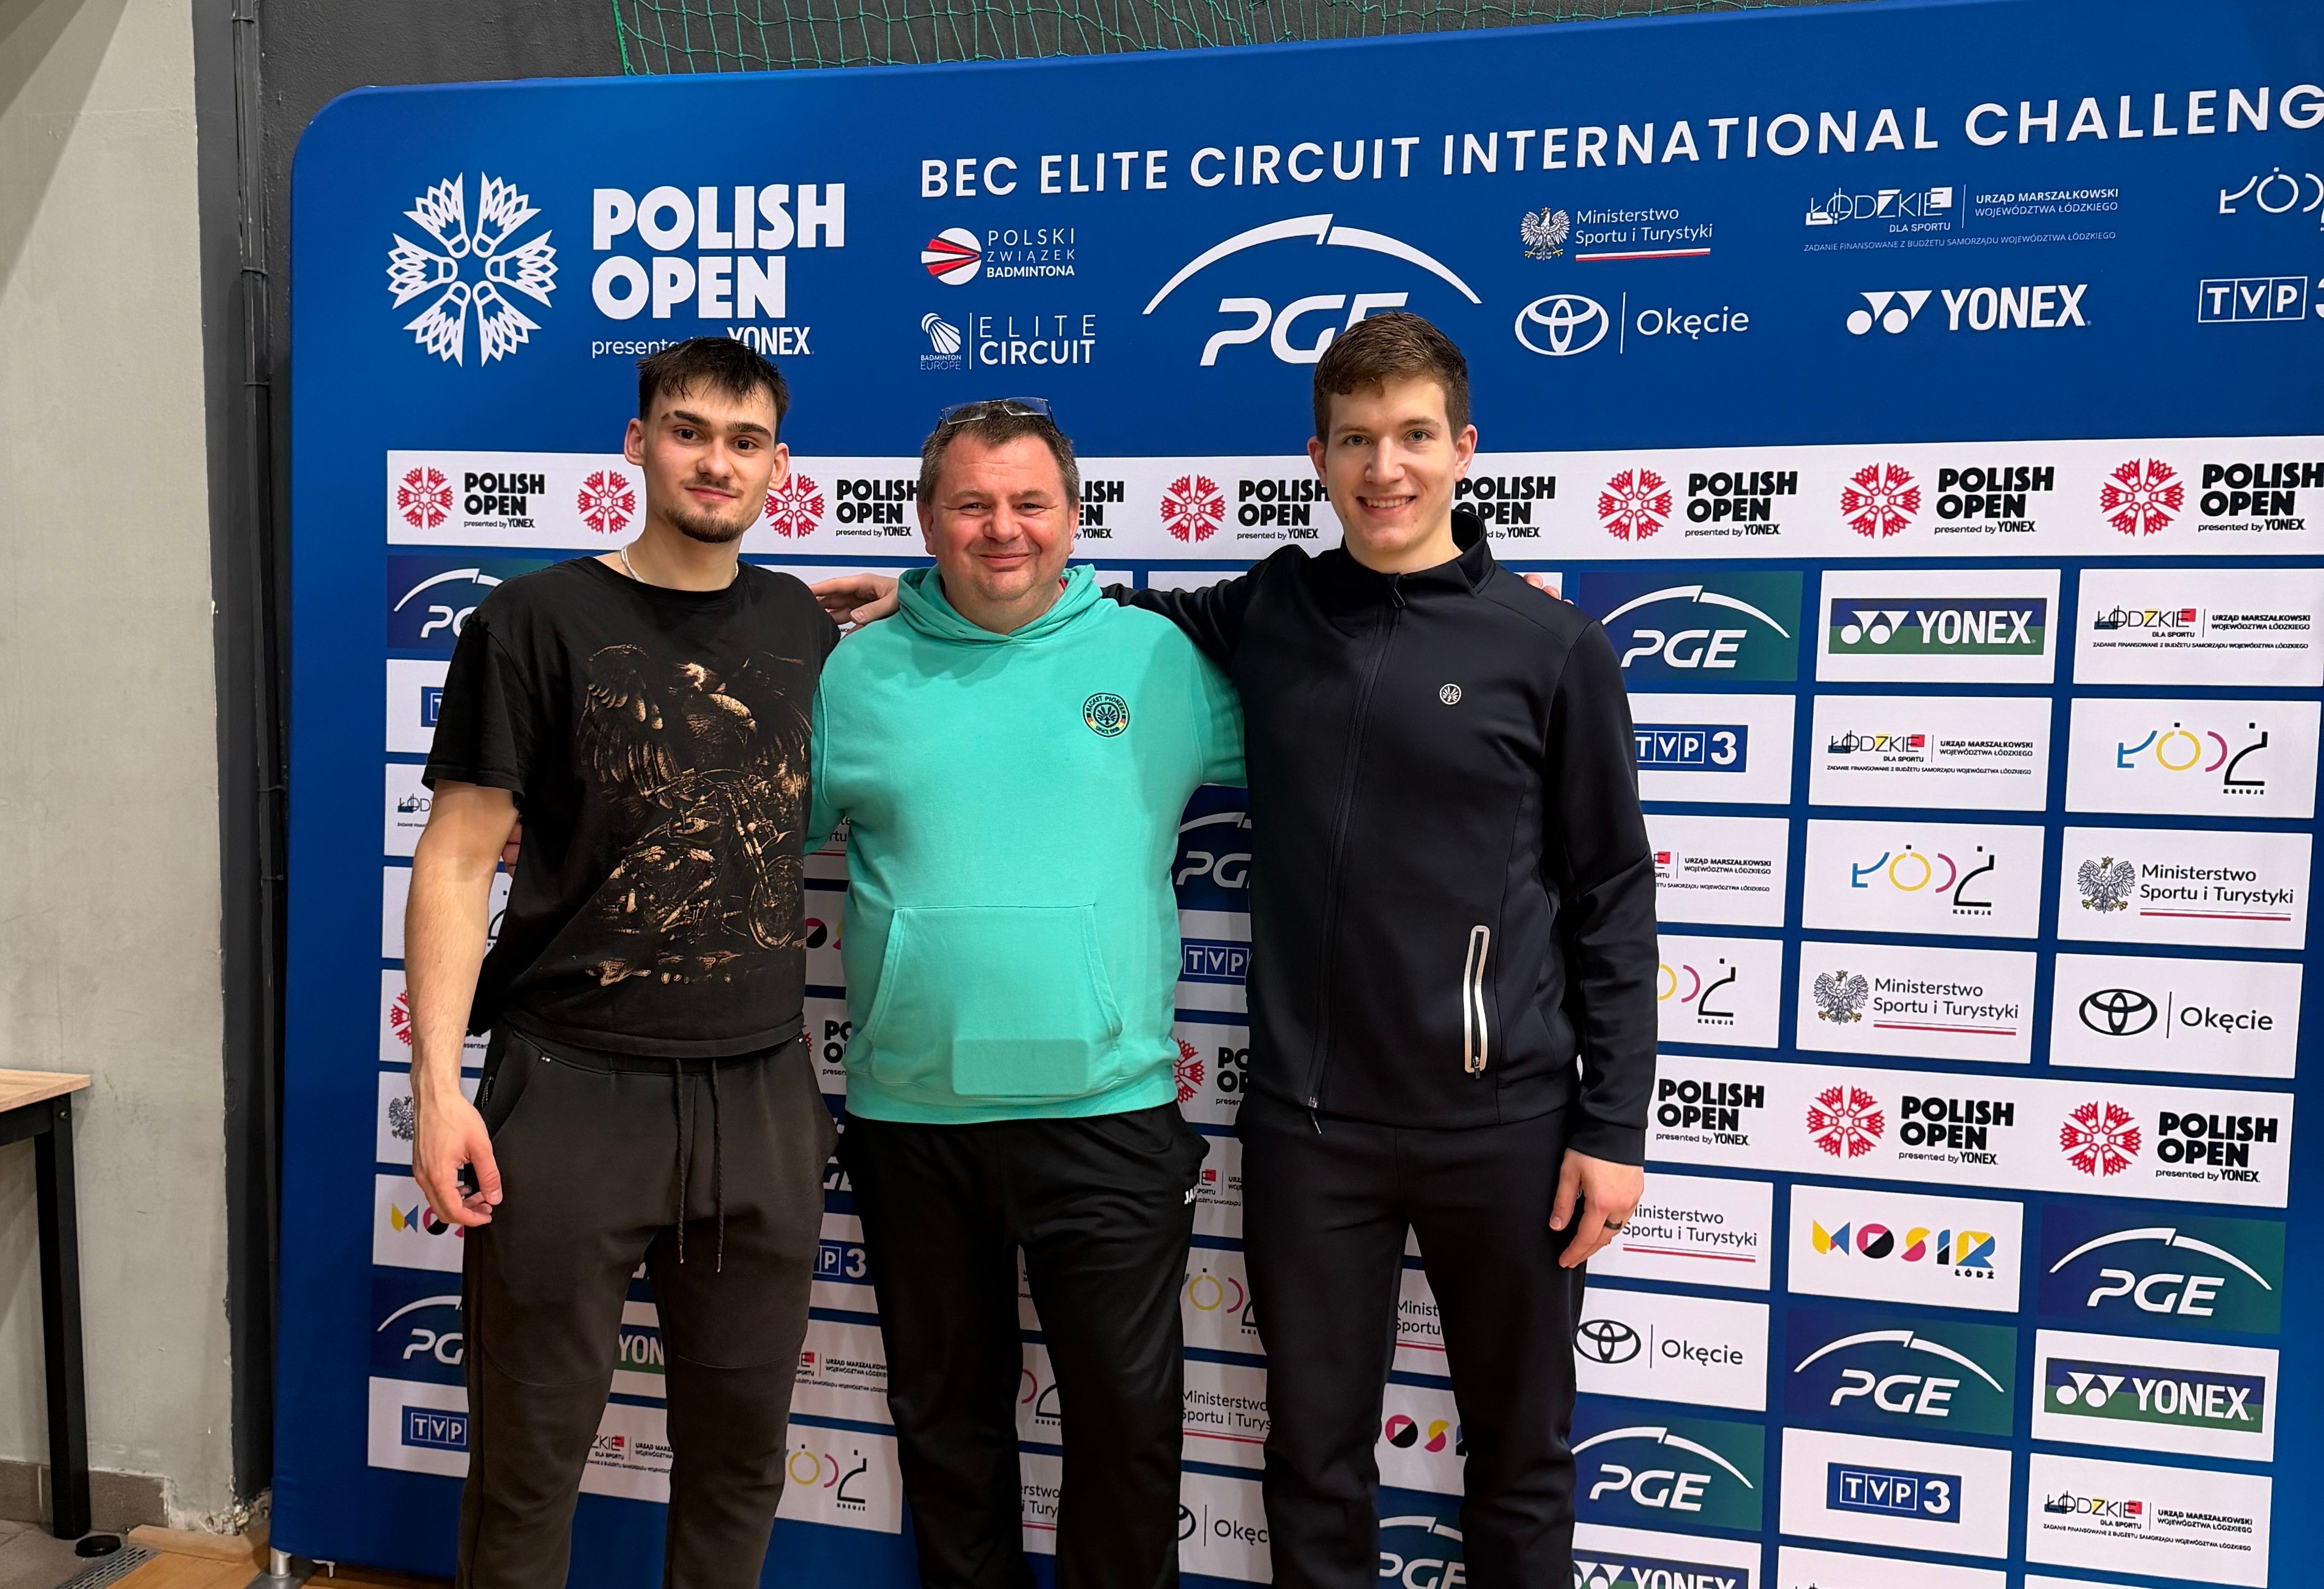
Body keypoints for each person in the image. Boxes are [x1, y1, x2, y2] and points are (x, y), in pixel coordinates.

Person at [815, 313, 1655, 1589]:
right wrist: (920, 604)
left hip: (1506, 1121)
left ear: (1464, 449)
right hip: (1306, 1129)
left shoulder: (1548, 647)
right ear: (1318, 456)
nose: (1386, 467)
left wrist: (1616, 1122)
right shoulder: (1272, 611)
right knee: (1310, 1460)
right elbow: (1073, 617)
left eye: (1414, 436)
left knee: (1521, 1457)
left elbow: (1613, 890)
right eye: (1358, 440)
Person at [407, 338, 838, 1589]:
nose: (716, 462)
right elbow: (457, 858)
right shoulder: (531, 621)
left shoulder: (805, 628)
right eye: (689, 431)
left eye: (745, 441)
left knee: (740, 1466)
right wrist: (436, 1091)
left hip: (761, 1094)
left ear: (780, 466)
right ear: (639, 442)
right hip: (571, 1091)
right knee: (527, 1467)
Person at [808, 397, 1244, 1589]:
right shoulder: (852, 675)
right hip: (912, 1124)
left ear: (1073, 517)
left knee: (1128, 1435)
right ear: (926, 521)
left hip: (1107, 1117)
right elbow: (740, 828)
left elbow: (1340, 732)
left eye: (1029, 503)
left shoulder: (1155, 660)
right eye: (972, 504)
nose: (1003, 528)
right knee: (946, 1432)